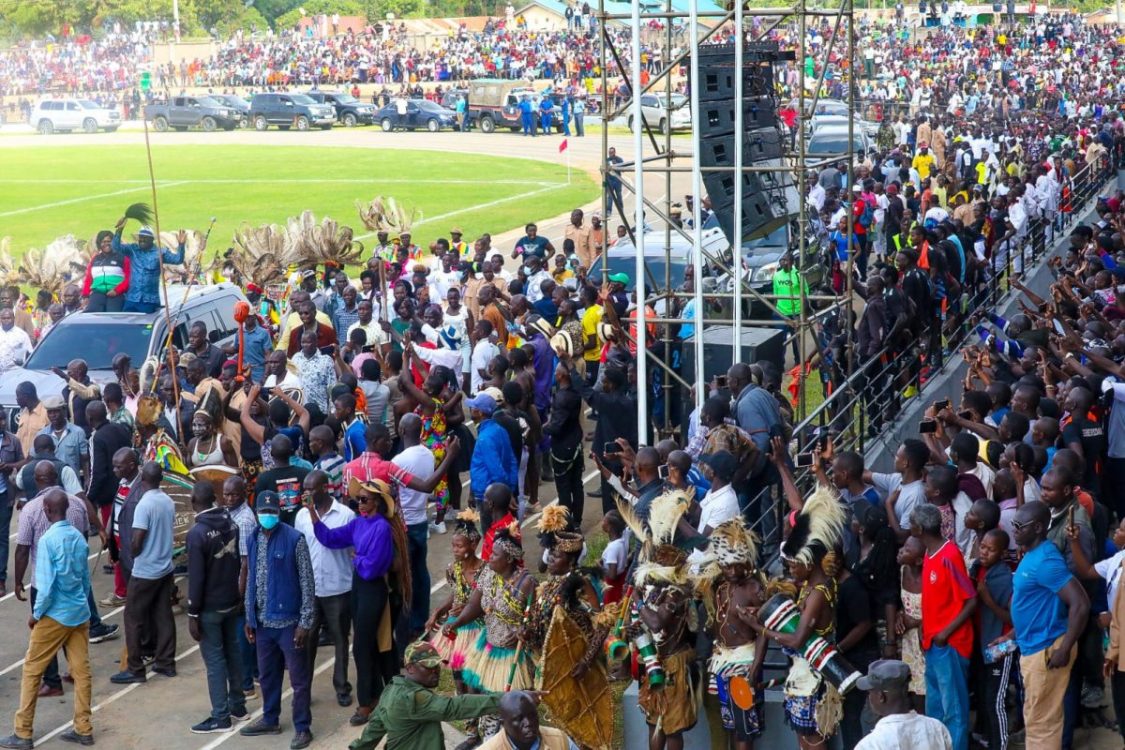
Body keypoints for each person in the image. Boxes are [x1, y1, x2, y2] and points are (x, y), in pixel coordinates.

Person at [1, 491, 95, 750]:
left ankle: (23, 732)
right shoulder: (77, 537)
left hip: (55, 614)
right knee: (81, 670)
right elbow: (85, 579)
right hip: (79, 611)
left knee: (32, 669)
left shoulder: (48, 541)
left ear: (46, 509)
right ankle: (83, 727)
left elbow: (45, 584)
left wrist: (36, 614)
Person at [307, 476, 403, 727]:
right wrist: (313, 514)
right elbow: (330, 538)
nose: (359, 503)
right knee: (370, 645)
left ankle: (365, 703)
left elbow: (372, 568)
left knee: (362, 646)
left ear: (378, 502)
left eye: (364, 499)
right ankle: (378, 694)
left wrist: (357, 558)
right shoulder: (359, 522)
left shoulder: (381, 527)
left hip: (373, 589)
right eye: (357, 499)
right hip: (358, 588)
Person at [1007, 501, 1090, 749]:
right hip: (1033, 645)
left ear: (1038, 528)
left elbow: (1081, 603)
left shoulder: (1045, 561)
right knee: (1037, 718)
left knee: (1042, 723)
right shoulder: (1034, 555)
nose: (1014, 530)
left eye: (1019, 526)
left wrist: (1064, 648)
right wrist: (1013, 633)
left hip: (1045, 650)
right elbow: (1035, 602)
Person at [239, 490, 316, 749]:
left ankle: (303, 727)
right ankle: (270, 719)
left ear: (279, 512)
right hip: (262, 624)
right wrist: (249, 617)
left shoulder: (295, 540)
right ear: (257, 512)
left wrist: (305, 622)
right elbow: (250, 580)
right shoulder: (252, 538)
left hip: (289, 623)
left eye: (272, 512)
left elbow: (307, 583)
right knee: (268, 676)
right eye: (263, 512)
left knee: (299, 679)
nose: (267, 516)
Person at [348, 641, 506, 750]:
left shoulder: (393, 688)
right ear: (410, 668)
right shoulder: (414, 699)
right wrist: (504, 699)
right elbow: (454, 707)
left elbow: (373, 730)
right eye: (429, 667)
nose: (436, 672)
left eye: (437, 666)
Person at [908, 503, 974, 750]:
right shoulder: (928, 553)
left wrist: (945, 633)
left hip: (950, 645)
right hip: (933, 643)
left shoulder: (950, 555)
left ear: (920, 528)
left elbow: (970, 600)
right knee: (935, 709)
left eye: (912, 523)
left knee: (953, 711)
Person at [185, 482, 249, 733]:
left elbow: (196, 578)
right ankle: (238, 707)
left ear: (193, 502)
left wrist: (192, 613)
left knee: (214, 661)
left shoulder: (197, 534)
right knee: (233, 654)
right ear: (214, 498)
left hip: (210, 608)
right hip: (231, 600)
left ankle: (221, 716)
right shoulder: (231, 523)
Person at [293, 470, 356, 710]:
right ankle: (304, 690)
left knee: (340, 638)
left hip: (338, 587)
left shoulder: (345, 515)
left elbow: (353, 550)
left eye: (311, 489)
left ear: (325, 488)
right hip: (311, 591)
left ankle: (341, 686)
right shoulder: (301, 516)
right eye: (304, 490)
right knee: (306, 641)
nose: (306, 494)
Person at [111, 461, 177, 685]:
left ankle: (135, 668)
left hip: (146, 570)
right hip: (165, 567)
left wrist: (134, 551)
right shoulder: (167, 501)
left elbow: (137, 539)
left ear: (142, 478)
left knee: (133, 618)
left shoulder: (144, 504)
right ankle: (166, 662)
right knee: (163, 614)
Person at [393, 413, 436, 636]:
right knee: (421, 572)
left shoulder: (398, 462)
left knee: (406, 578)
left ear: (401, 431)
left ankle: (408, 625)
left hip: (405, 524)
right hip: (421, 518)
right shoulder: (428, 454)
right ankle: (421, 619)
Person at [855, 660, 952, 750]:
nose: (869, 697)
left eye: (870, 692)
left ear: (881, 696)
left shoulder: (870, 745)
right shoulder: (937, 728)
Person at [111, 221, 186, 313]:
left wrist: (181, 245)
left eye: (145, 238)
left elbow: (178, 259)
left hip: (149, 301)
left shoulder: (160, 253)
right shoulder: (133, 249)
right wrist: (119, 230)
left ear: (151, 239)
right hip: (132, 298)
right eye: (140, 238)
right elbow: (115, 247)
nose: (141, 240)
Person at [478, 691, 579, 749]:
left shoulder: (560, 740)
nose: (529, 723)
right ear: (503, 723)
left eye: (532, 715)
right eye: (519, 718)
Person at [81, 229, 131, 313]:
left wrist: (117, 290)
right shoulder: (95, 259)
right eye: (103, 241)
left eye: (109, 241)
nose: (106, 244)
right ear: (99, 244)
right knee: (92, 315)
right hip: (97, 293)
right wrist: (85, 296)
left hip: (116, 293)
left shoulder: (122, 258)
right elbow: (89, 278)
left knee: (113, 316)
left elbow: (129, 278)